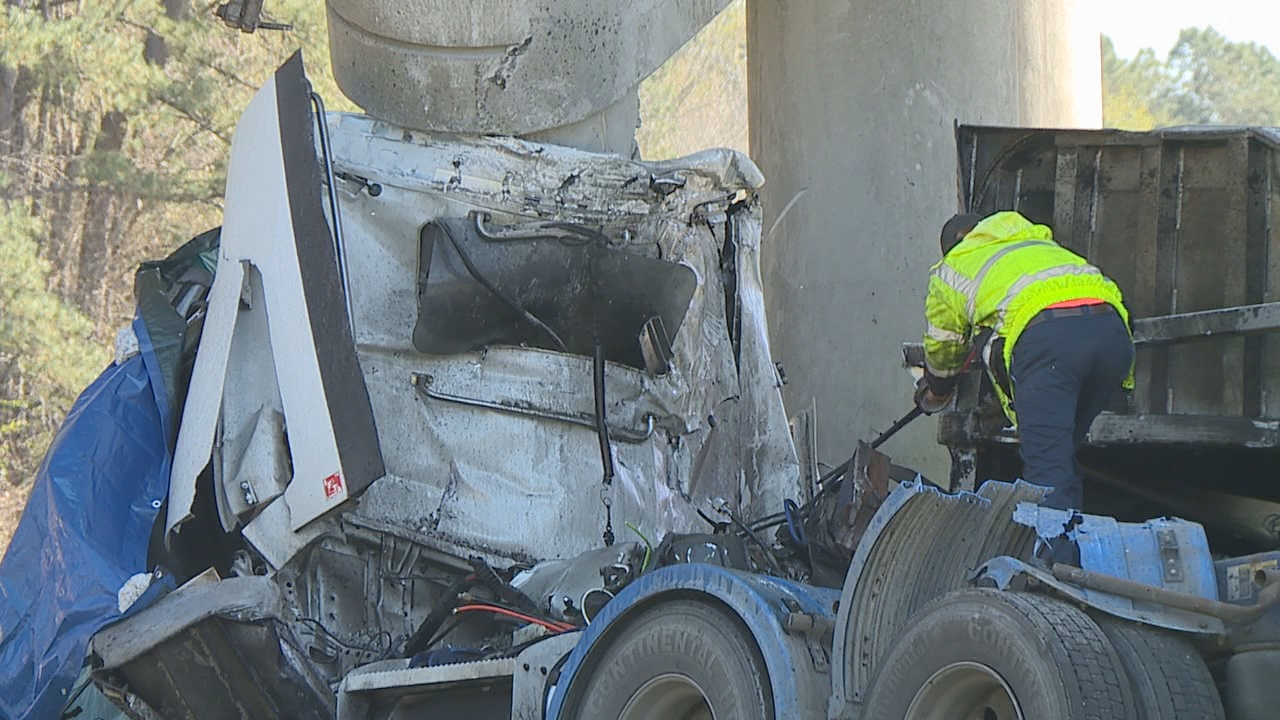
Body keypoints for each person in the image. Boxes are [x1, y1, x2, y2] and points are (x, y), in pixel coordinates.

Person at [916, 210, 1134, 513]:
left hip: (1049, 343)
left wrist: (936, 392)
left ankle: (1049, 559)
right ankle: (1069, 544)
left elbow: (944, 350)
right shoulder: (1038, 245)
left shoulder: (953, 268)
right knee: (1058, 455)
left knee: (1046, 476)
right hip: (1112, 334)